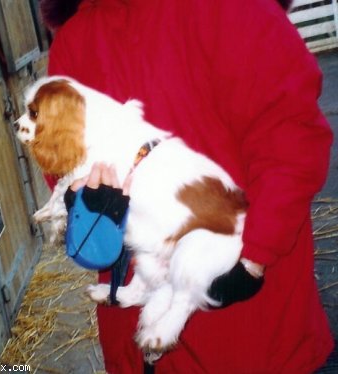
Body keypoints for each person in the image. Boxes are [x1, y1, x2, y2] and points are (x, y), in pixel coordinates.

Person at [39, 0, 335, 372]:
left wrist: (254, 259)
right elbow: (63, 162)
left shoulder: (236, 10)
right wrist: (83, 200)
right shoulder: (75, 40)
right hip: (151, 328)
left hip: (243, 322)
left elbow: (290, 139)